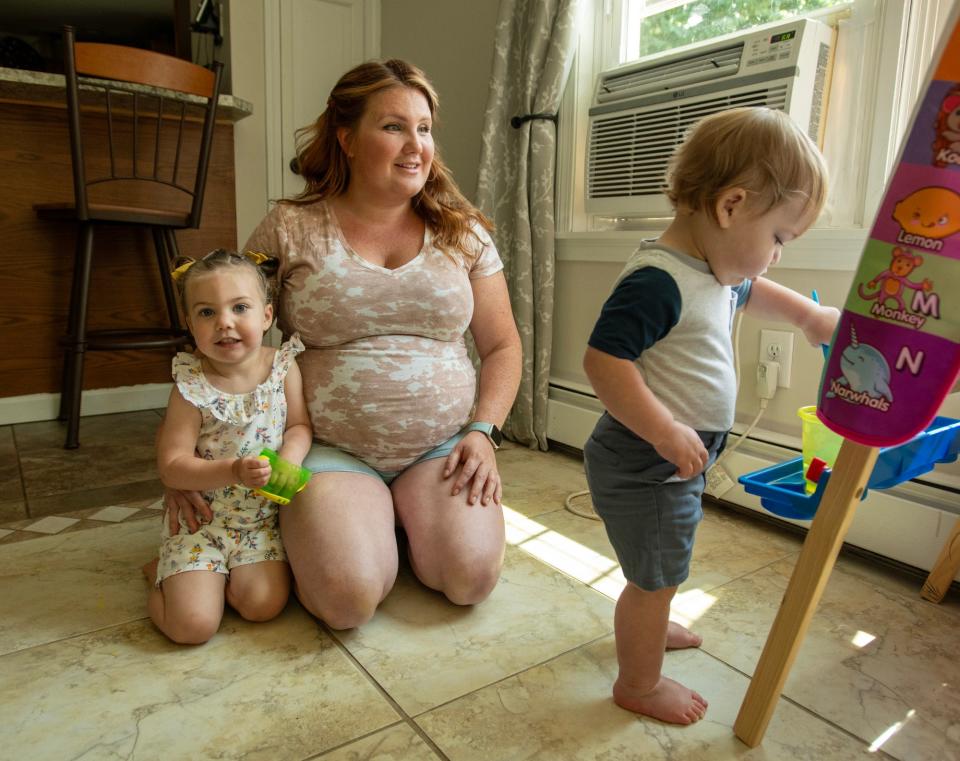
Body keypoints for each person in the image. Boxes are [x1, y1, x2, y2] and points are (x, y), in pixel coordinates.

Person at [164, 60, 522, 630]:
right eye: (393, 127)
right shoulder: (290, 226)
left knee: (470, 581)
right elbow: (225, 334)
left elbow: (502, 345)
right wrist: (184, 468)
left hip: (440, 448)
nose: (415, 145)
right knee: (346, 603)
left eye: (424, 128)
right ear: (347, 138)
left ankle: (403, 518)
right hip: (325, 448)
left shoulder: (463, 230)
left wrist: (483, 432)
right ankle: (364, 525)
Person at [582, 107, 841, 725]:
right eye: (779, 237)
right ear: (730, 206)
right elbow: (602, 362)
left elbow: (750, 292)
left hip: (667, 456)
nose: (776, 256)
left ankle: (653, 617)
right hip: (648, 459)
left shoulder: (711, 270)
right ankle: (639, 684)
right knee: (656, 574)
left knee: (661, 564)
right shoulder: (659, 280)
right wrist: (667, 430)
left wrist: (808, 318)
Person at [145, 249, 312, 644]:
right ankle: (161, 575)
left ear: (267, 316)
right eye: (206, 313)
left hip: (259, 522)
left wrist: (289, 458)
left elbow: (300, 425)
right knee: (192, 628)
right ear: (189, 324)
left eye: (240, 307)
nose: (224, 323)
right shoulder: (191, 385)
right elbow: (171, 465)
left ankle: (215, 580)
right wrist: (233, 470)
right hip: (201, 523)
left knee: (264, 606)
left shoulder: (282, 367)